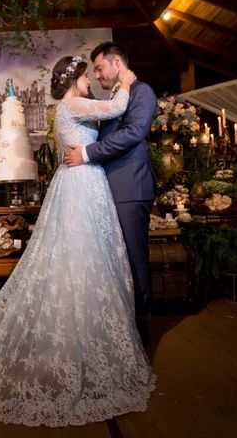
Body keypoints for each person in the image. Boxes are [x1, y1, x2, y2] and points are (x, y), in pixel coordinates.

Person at [0, 57, 155, 427]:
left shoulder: (66, 108)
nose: (91, 80)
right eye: (86, 76)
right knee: (82, 257)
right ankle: (78, 343)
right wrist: (126, 79)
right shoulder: (73, 104)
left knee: (84, 258)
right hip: (82, 184)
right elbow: (117, 107)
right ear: (74, 80)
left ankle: (88, 337)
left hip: (81, 182)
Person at [64, 42, 157, 347]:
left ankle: (142, 342)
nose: (98, 75)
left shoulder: (141, 92)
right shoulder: (117, 96)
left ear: (117, 62)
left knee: (134, 264)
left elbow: (133, 134)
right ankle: (121, 338)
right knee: (116, 266)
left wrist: (87, 154)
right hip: (105, 192)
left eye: (100, 68)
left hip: (130, 189)